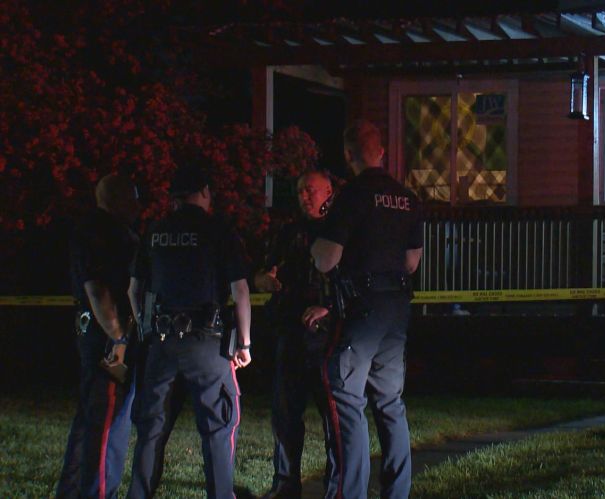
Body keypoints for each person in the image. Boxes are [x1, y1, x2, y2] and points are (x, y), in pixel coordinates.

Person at [310, 120, 423, 499]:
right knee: (390, 402)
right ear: (382, 152)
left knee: (345, 397)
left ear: (348, 154)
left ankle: (350, 493)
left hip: (362, 310)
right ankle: (397, 492)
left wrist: (316, 249)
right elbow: (411, 262)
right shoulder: (407, 198)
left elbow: (327, 259)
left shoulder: (352, 196)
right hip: (397, 310)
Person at [126, 163, 252, 498]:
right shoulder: (219, 230)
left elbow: (133, 290)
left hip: (160, 342)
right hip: (206, 343)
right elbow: (240, 290)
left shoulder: (155, 231)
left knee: (151, 429)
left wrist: (145, 329)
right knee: (218, 427)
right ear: (206, 192)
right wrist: (244, 343)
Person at [57, 173, 140, 499]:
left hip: (95, 334)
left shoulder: (89, 229)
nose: (137, 205)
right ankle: (98, 493)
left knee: (91, 419)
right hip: (108, 340)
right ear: (117, 198)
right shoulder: (105, 232)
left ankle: (72, 491)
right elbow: (98, 289)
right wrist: (119, 338)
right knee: (108, 422)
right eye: (133, 197)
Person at [255, 171, 334, 499]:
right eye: (301, 190)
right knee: (285, 413)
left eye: (311, 190)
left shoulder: (339, 230)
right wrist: (263, 280)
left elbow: (352, 281)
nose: (304, 196)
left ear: (328, 192)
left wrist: (328, 308)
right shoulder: (287, 233)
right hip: (290, 331)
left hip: (328, 337)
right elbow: (262, 271)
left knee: (334, 416)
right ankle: (286, 485)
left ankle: (337, 486)